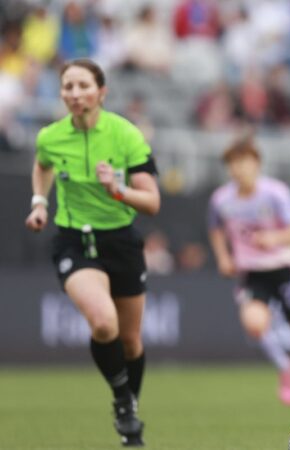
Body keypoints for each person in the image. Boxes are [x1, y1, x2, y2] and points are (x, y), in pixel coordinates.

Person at [24, 59, 159, 447]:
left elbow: (151, 202)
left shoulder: (126, 135)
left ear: (102, 91)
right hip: (75, 241)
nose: (75, 93)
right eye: (68, 86)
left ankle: (129, 407)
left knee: (130, 341)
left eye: (83, 85)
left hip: (121, 241)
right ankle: (123, 405)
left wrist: (118, 190)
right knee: (103, 322)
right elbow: (42, 165)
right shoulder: (50, 136)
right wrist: (39, 202)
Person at [207, 138, 290, 412]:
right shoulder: (222, 199)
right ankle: (285, 366)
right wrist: (223, 257)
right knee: (254, 324)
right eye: (233, 163)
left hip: (284, 267)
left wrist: (274, 237)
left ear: (256, 164)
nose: (239, 169)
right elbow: (215, 228)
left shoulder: (276, 193)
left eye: (244, 162)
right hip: (252, 272)